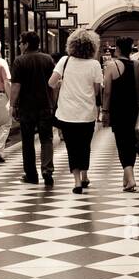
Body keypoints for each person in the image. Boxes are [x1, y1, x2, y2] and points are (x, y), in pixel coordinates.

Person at [50, 28, 103, 193]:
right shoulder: (94, 65)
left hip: (67, 113)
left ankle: (77, 181)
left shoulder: (64, 61)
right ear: (92, 46)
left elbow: (51, 83)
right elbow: (96, 90)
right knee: (85, 145)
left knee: (72, 147)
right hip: (87, 112)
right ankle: (85, 175)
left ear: (72, 45)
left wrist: (62, 83)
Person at [10, 30, 55, 187]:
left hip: (26, 107)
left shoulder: (19, 61)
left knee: (28, 141)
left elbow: (16, 85)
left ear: (27, 44)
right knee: (46, 139)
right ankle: (47, 170)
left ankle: (31, 174)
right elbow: (54, 84)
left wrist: (12, 105)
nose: (20, 45)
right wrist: (53, 103)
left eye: (21, 42)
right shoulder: (48, 59)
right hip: (45, 105)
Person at [103, 36, 139, 191]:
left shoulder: (111, 66)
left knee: (122, 144)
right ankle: (127, 179)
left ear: (118, 49)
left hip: (118, 111)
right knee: (131, 144)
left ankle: (132, 178)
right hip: (135, 110)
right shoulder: (138, 66)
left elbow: (107, 92)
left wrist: (105, 111)